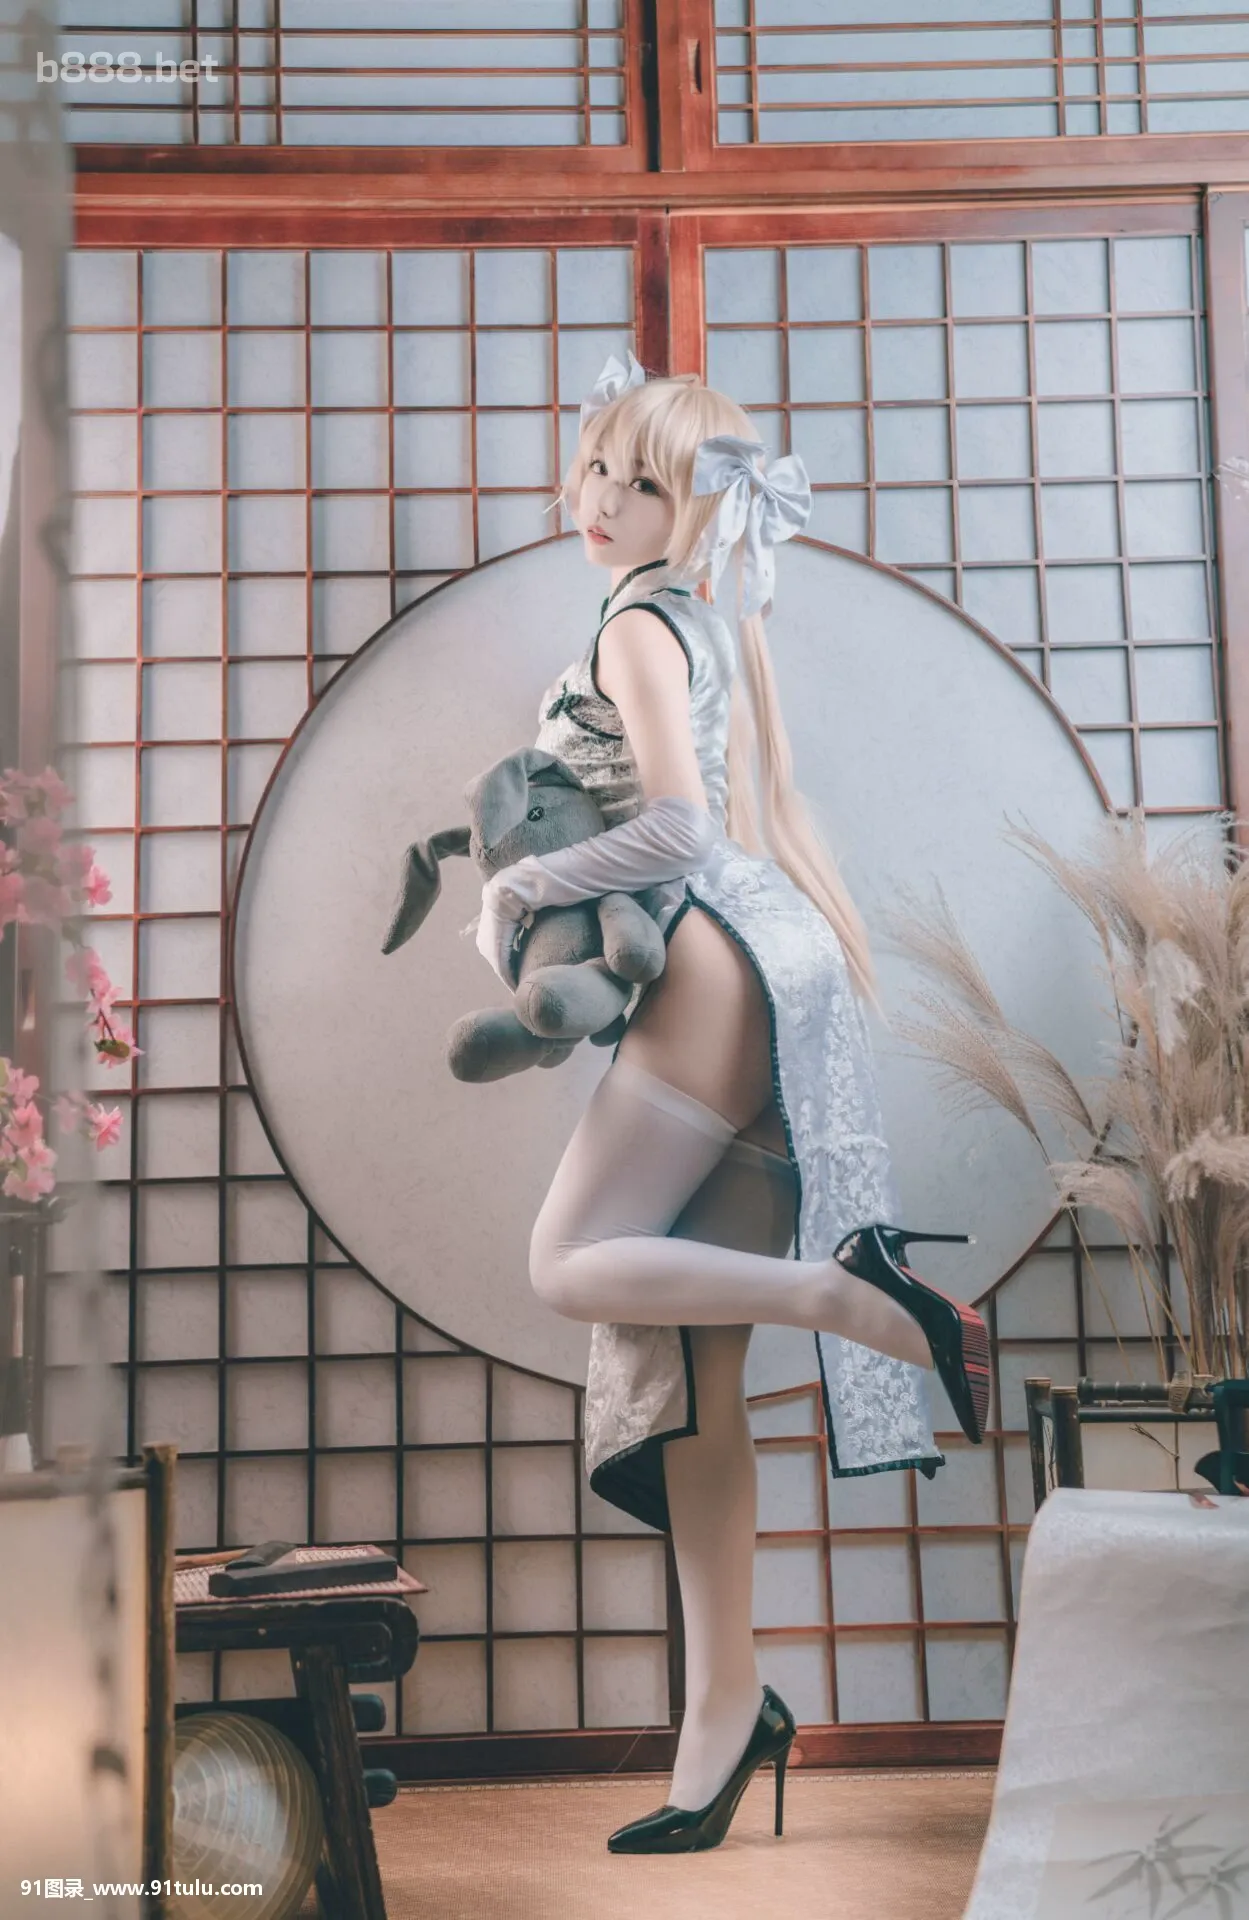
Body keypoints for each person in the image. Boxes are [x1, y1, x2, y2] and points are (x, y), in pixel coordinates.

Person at [471, 355, 990, 1854]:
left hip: (714, 964)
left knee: (568, 1261)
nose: (602, 499)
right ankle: (724, 1716)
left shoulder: (640, 621)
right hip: (773, 962)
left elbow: (681, 827)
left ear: (693, 509)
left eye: (641, 483)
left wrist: (522, 883)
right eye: (598, 466)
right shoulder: (700, 613)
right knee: (697, 1383)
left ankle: (847, 1297)